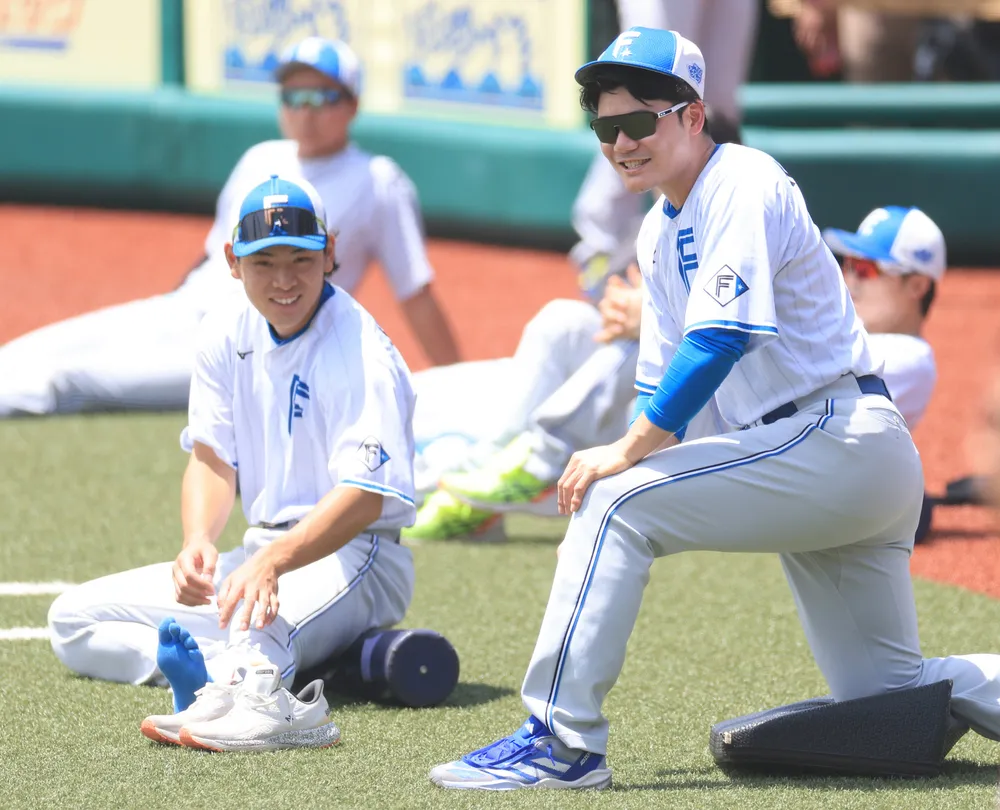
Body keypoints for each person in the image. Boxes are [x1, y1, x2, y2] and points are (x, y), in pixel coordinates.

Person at [428, 27, 1000, 790]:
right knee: (890, 696)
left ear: (693, 117)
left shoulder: (741, 179)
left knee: (617, 502)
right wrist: (616, 453)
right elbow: (660, 383)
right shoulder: (659, 232)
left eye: (640, 120)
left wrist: (621, 458)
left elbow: (720, 339)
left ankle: (561, 744)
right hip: (823, 455)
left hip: (837, 436)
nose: (621, 141)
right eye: (606, 126)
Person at [47, 176, 417, 752]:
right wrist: (198, 539)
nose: (285, 279)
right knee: (73, 620)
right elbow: (212, 457)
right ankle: (216, 684)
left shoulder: (360, 348)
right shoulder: (224, 328)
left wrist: (273, 562)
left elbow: (365, 495)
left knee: (254, 621)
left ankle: (284, 712)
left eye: (301, 258)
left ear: (330, 252)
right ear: (231, 261)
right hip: (259, 554)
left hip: (357, 555)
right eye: (264, 262)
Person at [0, 36, 459, 418]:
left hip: (244, 345)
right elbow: (209, 255)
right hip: (184, 310)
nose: (306, 110)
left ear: (353, 106)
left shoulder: (378, 181)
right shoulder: (261, 157)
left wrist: (458, 391)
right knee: (38, 347)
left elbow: (415, 292)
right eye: (294, 97)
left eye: (323, 97)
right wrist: (170, 309)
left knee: (67, 380)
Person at [571, 0, 758, 303]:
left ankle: (695, 242)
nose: (620, 142)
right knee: (639, 94)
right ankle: (602, 246)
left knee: (717, 109)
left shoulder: (762, 188)